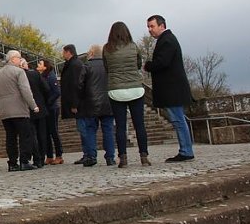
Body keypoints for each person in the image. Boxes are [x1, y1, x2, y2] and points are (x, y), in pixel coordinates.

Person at [143, 15, 195, 162]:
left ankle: (186, 151)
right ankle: (186, 149)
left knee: (178, 120)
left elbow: (162, 62)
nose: (150, 30)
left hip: (173, 89)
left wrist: (148, 65)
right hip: (173, 88)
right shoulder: (167, 39)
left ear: (162, 26)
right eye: (148, 27)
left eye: (152, 26)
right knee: (178, 120)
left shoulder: (167, 40)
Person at [103, 21, 150, 168]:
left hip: (116, 90)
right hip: (135, 88)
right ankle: (144, 156)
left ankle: (123, 158)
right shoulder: (133, 46)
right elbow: (137, 64)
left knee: (120, 126)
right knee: (139, 125)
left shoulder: (107, 49)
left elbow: (107, 68)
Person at [0, 50, 39, 171]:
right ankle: (24, 161)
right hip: (19, 109)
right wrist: (33, 105)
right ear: (13, 59)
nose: (20, 60)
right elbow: (25, 90)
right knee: (25, 135)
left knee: (10, 137)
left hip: (4, 111)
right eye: (19, 58)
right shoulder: (19, 72)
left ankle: (12, 162)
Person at [78, 44, 116, 167]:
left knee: (90, 130)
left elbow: (80, 85)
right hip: (108, 102)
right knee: (108, 130)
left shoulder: (86, 66)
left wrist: (80, 100)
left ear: (91, 54)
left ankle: (91, 156)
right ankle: (110, 157)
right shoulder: (108, 66)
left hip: (91, 103)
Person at [20, 58, 49, 168]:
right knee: (42, 134)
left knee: (31, 135)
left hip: (26, 109)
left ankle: (36, 158)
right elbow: (46, 88)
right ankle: (41, 158)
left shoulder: (19, 76)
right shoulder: (35, 74)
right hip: (40, 106)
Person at [60, 44, 85, 163]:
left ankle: (88, 154)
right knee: (82, 128)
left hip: (78, 103)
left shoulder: (74, 65)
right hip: (76, 101)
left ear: (68, 52)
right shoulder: (73, 64)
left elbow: (76, 85)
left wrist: (75, 104)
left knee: (83, 128)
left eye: (63, 52)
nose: (62, 54)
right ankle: (87, 153)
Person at [37, 58, 63, 164]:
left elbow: (56, 92)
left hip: (52, 108)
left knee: (53, 131)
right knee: (46, 132)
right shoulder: (42, 76)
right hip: (46, 108)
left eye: (40, 64)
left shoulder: (51, 77)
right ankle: (49, 155)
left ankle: (59, 154)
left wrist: (48, 102)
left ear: (45, 66)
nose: (37, 65)